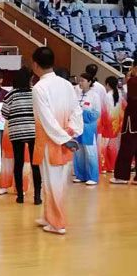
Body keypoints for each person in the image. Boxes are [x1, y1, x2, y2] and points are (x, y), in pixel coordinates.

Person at [31, 47, 83, 235]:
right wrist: (72, 132)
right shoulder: (66, 84)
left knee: (52, 182)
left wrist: (64, 138)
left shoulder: (39, 88)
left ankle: (57, 223)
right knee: (55, 181)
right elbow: (76, 111)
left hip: (51, 141)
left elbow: (46, 120)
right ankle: (49, 216)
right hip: (65, 136)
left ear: (35, 65)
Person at [1, 67, 41, 204]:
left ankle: (20, 196)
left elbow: (5, 113)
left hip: (16, 131)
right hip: (33, 131)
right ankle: (37, 197)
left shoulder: (11, 94)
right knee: (35, 164)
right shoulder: (35, 92)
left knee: (18, 163)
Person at [73, 73, 101, 186]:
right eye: (80, 80)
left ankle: (93, 177)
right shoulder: (77, 94)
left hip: (88, 128)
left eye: (83, 80)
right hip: (77, 127)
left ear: (89, 82)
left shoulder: (94, 96)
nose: (80, 83)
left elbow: (96, 113)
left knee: (90, 153)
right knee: (78, 152)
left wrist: (82, 114)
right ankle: (80, 175)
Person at [111, 68, 137, 184]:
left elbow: (129, 99)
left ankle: (121, 176)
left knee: (126, 148)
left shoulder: (133, 82)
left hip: (132, 120)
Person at [101, 76, 124, 174]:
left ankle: (104, 167)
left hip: (107, 123)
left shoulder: (107, 96)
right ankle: (112, 166)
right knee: (113, 146)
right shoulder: (119, 94)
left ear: (107, 84)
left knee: (104, 146)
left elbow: (104, 111)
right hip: (116, 123)